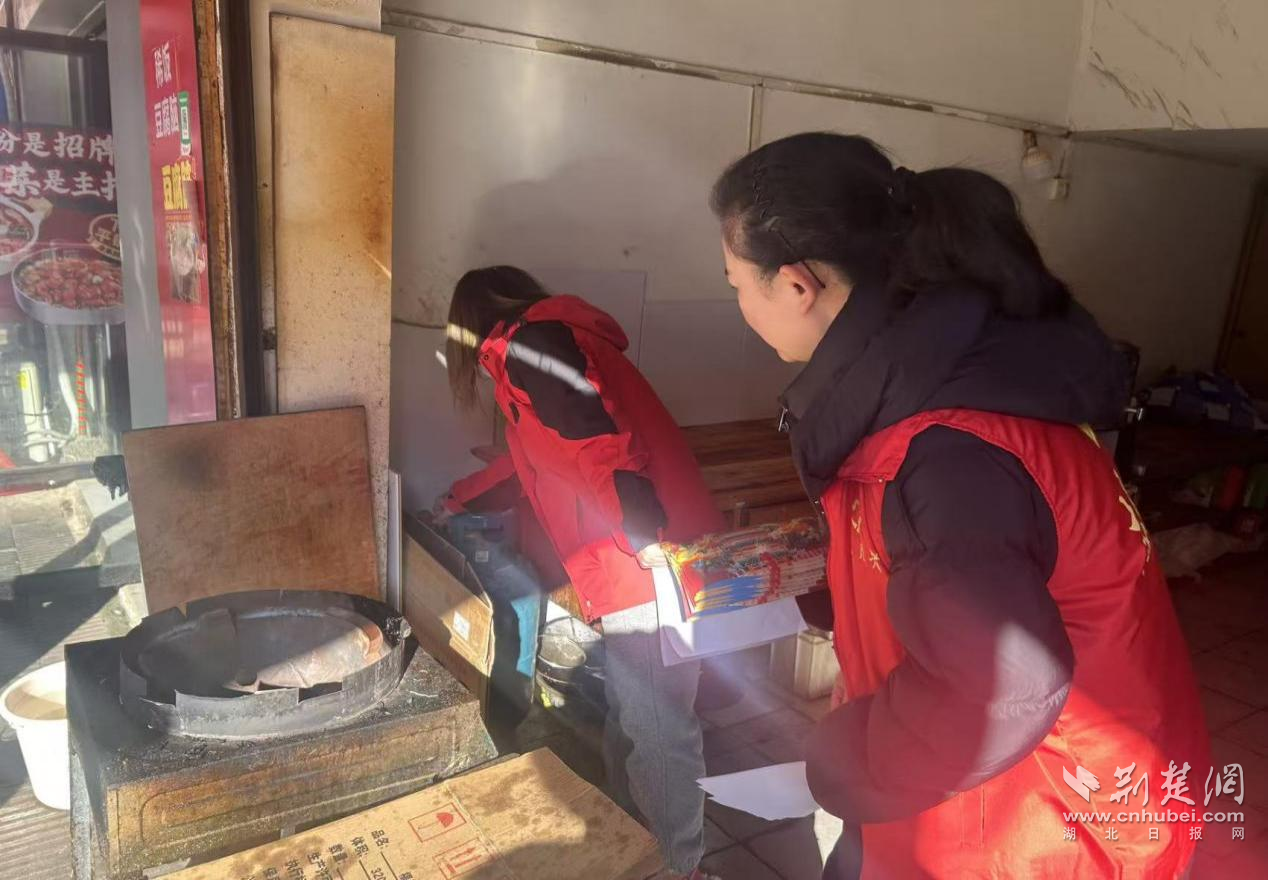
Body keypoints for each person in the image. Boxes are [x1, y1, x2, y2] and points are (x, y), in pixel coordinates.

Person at [710, 133, 1208, 879]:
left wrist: (842, 764)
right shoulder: (952, 385)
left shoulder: (946, 452)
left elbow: (1000, 688)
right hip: (1003, 794)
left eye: (735, 284)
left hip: (1038, 826)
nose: (739, 306)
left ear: (796, 285)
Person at [438, 266, 726, 880]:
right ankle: (635, 842)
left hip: (645, 564)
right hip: (624, 561)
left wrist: (643, 539)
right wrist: (459, 498)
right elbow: (534, 464)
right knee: (633, 717)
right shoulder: (532, 353)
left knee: (658, 728)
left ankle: (678, 869)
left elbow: (603, 445)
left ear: (468, 324)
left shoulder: (534, 345)